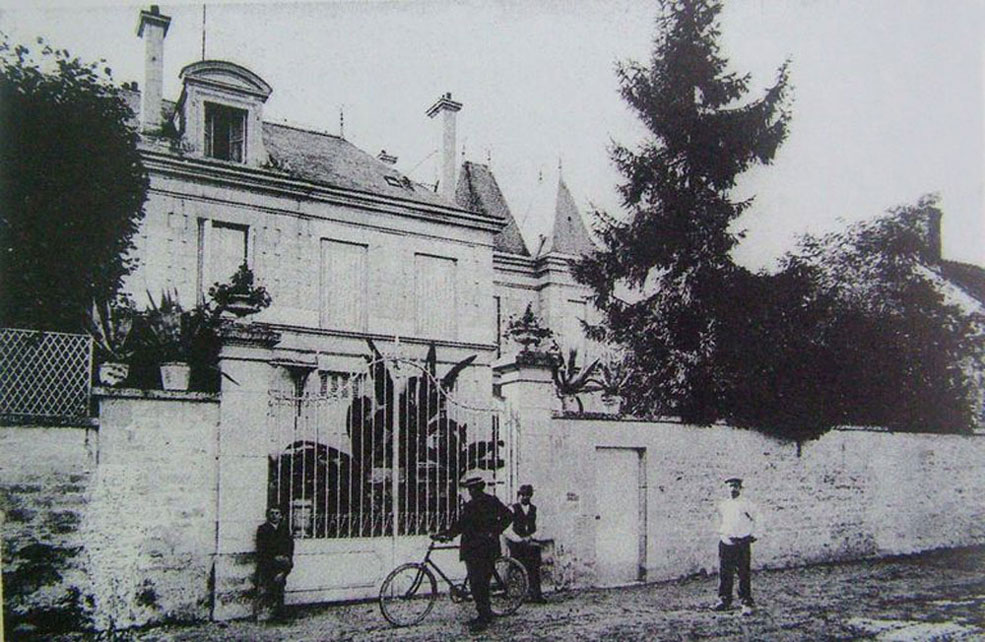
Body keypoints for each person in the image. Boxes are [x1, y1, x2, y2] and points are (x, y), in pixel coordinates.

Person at [432, 475, 514, 632]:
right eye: (469, 489)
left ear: (479, 488)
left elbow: (509, 516)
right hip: (472, 549)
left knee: (480, 583)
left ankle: (484, 618)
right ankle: (484, 613)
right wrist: (446, 534)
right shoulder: (470, 505)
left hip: (486, 548)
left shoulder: (491, 501)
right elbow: (461, 525)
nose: (470, 491)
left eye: (472, 488)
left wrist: (494, 531)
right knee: (476, 583)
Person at [713, 477, 762, 616]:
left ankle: (746, 602)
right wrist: (722, 533)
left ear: (740, 488)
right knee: (725, 573)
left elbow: (759, 518)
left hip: (742, 543)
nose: (733, 489)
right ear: (726, 488)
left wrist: (754, 535)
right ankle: (724, 600)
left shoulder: (747, 504)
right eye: (730, 486)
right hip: (726, 543)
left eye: (735, 486)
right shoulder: (723, 505)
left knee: (743, 574)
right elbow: (717, 521)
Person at [505, 484, 545, 603]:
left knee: (534, 569)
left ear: (531, 496)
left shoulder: (535, 510)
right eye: (523, 495)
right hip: (517, 544)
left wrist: (532, 537)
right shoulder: (513, 509)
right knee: (516, 568)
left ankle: (536, 595)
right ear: (519, 495)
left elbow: (541, 526)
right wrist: (518, 539)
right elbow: (507, 529)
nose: (525, 497)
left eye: (528, 495)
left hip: (531, 543)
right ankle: (516, 595)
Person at [255, 506, 295, 622]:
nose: (274, 516)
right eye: (272, 513)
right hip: (269, 563)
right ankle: (275, 613)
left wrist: (286, 557)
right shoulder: (263, 529)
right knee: (275, 586)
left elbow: (290, 546)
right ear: (268, 515)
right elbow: (262, 548)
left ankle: (279, 613)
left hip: (283, 563)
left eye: (277, 513)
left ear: (281, 515)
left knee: (280, 583)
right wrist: (274, 557)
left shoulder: (284, 529)